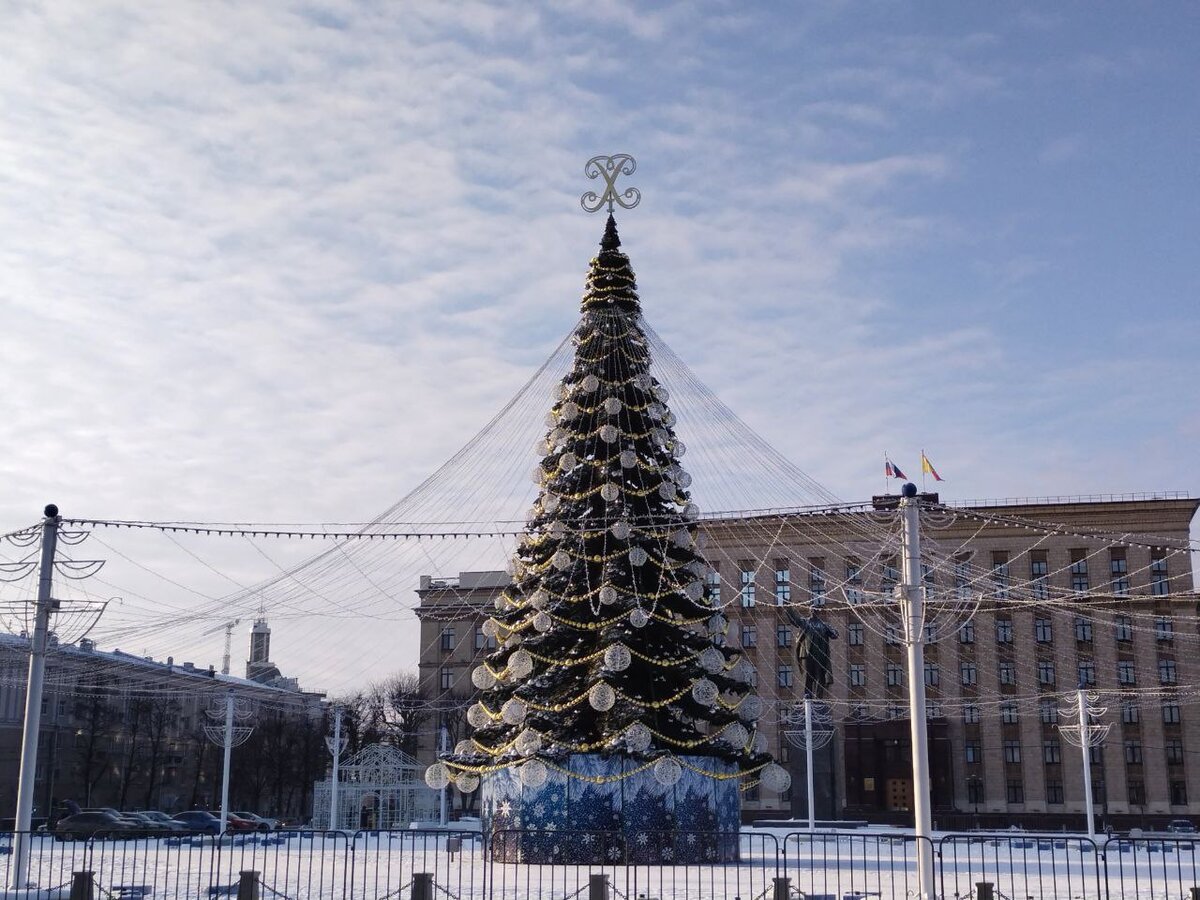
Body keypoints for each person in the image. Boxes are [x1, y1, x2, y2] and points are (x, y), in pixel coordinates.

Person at [785, 609, 839, 699]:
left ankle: (819, 698)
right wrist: (788, 608)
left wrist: (834, 631)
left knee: (820, 677)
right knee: (808, 676)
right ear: (810, 612)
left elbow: (834, 635)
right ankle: (807, 695)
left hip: (820, 655)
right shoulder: (805, 622)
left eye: (815, 610)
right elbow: (794, 619)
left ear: (819, 612)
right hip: (806, 654)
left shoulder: (824, 625)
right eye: (812, 610)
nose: (813, 612)